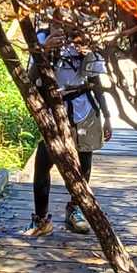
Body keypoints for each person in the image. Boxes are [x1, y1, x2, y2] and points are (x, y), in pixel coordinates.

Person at [25, 13, 112, 237]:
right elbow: (29, 79)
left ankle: (75, 209)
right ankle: (41, 219)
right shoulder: (40, 38)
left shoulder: (84, 39)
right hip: (53, 109)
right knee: (44, 162)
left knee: (84, 162)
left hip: (84, 108)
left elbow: (95, 80)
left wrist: (107, 115)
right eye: (57, 19)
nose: (62, 24)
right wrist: (44, 51)